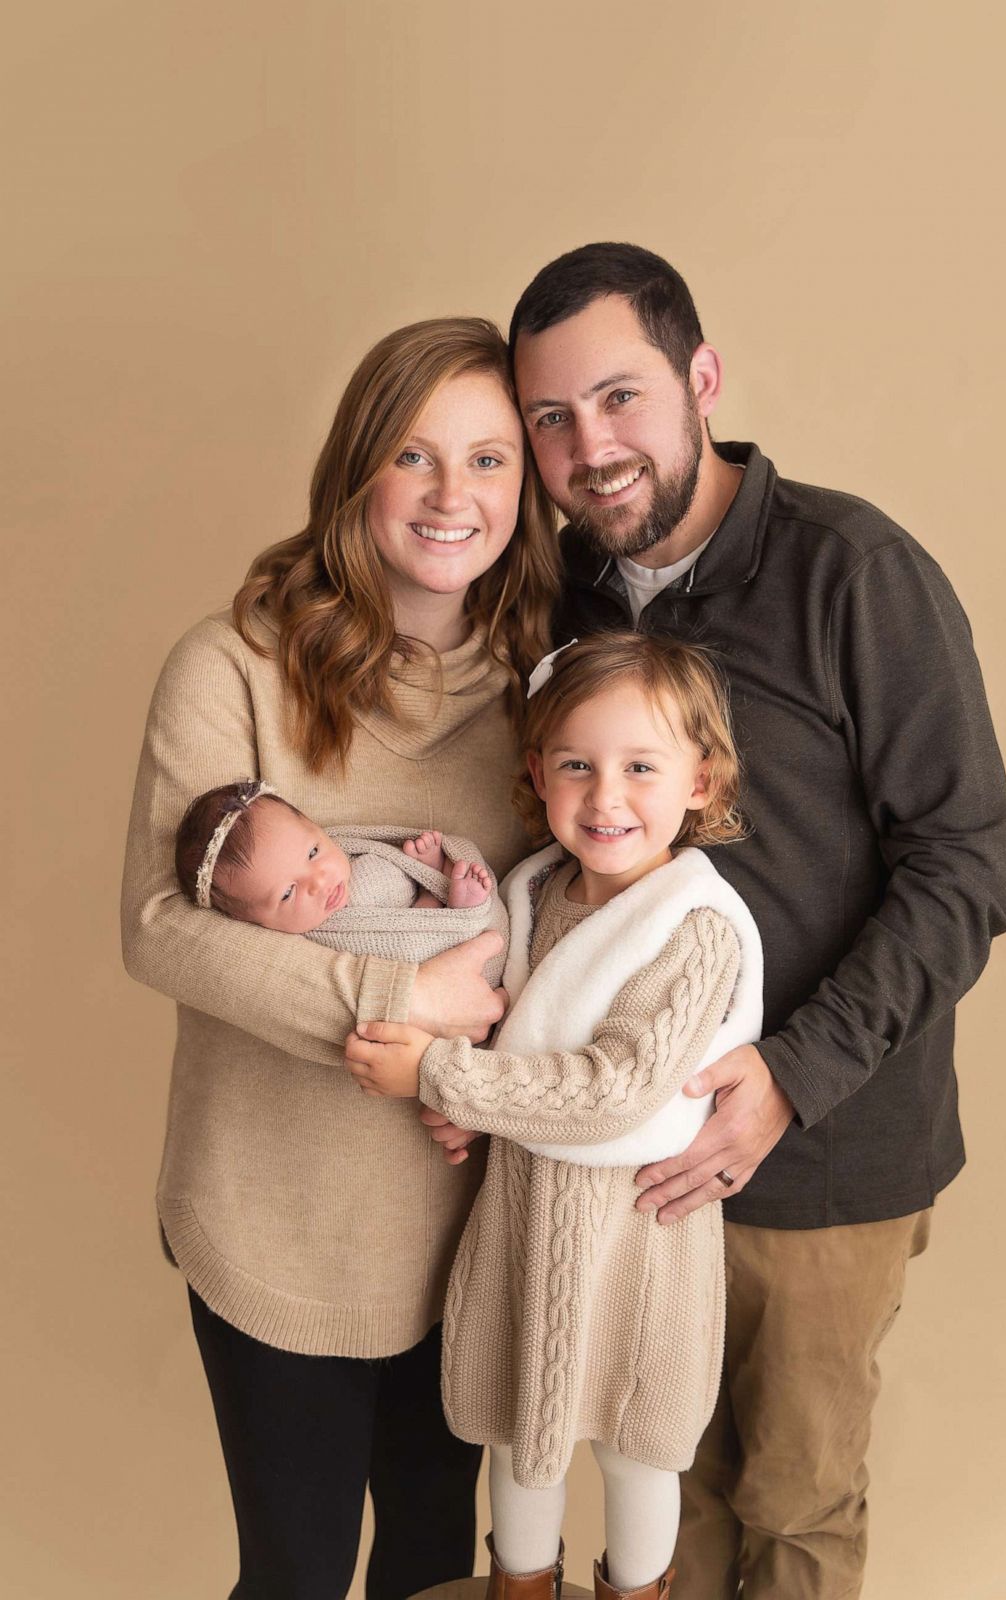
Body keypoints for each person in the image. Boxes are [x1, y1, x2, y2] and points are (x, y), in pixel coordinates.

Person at [414, 244, 1006, 1600]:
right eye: (550, 420)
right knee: (649, 1499)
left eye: (620, 398)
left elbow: (965, 864)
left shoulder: (851, 572)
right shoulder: (552, 597)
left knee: (790, 1504)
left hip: (819, 1153)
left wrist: (788, 1080)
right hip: (612, 1160)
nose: (589, 448)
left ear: (700, 379)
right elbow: (534, 861)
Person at [121, 316, 559, 1600]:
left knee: (434, 1569)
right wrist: (397, 995)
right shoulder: (233, 663)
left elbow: (561, 927)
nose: (451, 496)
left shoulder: (545, 689)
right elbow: (158, 926)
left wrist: (494, 1060)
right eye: (415, 456)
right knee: (297, 1575)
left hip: (465, 1228)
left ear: (523, 490)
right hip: (272, 1223)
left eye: (487, 460)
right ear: (357, 468)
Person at [348, 632, 762, 1600]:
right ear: (537, 773)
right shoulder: (534, 894)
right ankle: (518, 1586)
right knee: (518, 1443)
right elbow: (513, 1038)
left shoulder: (690, 925)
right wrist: (473, 1097)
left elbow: (615, 1085)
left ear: (699, 780)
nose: (604, 796)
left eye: (640, 767)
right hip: (525, 1222)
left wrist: (440, 1078)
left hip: (636, 1243)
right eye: (575, 764)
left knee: (633, 1451)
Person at [174, 781, 497, 924]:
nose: (318, 881)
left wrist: (407, 864)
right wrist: (434, 901)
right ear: (249, 921)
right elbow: (401, 944)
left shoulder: (355, 859)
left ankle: (426, 875)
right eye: (287, 893)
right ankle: (446, 901)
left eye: (313, 852)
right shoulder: (322, 938)